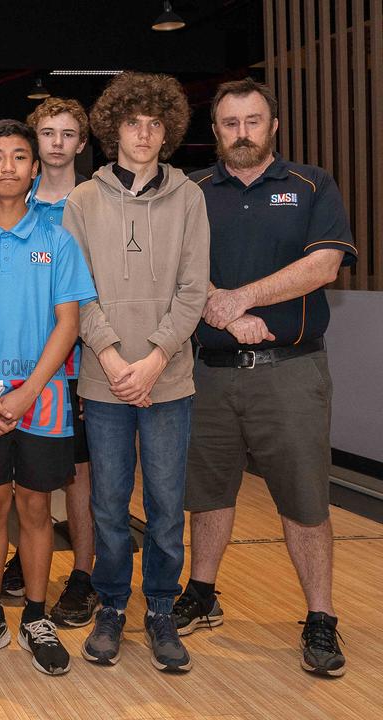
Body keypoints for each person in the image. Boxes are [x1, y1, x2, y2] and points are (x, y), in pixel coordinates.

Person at [177, 77, 355, 677]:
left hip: (291, 373)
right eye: (230, 123)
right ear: (216, 131)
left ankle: (322, 619)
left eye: (253, 121)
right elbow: (171, 271)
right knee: (207, 495)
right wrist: (217, 306)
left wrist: (239, 301)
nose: (242, 133)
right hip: (209, 375)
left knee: (305, 503)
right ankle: (201, 594)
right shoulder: (193, 190)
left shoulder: (311, 185)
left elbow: (324, 264)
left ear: (273, 126)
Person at [62, 72, 208, 673]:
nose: (144, 134)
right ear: (112, 128)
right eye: (133, 123)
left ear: (167, 131)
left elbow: (194, 289)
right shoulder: (83, 200)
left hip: (168, 378)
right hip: (105, 378)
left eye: (155, 124)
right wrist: (117, 359)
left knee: (168, 505)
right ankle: (113, 608)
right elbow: (76, 292)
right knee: (108, 504)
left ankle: (162, 611)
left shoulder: (189, 197)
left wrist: (153, 359)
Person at [0, 120, 95, 677]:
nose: (8, 166)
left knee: (35, 508)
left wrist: (30, 389)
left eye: (19, 157)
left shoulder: (57, 242)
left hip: (43, 397)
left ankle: (34, 614)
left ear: (35, 169)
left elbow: (68, 323)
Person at [21, 96, 100, 626]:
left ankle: (83, 575)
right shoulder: (16, 201)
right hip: (22, 366)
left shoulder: (97, 202)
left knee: (78, 476)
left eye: (67, 133)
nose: (56, 142)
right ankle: (25, 562)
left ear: (81, 142)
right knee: (20, 476)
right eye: (46, 132)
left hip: (82, 362)